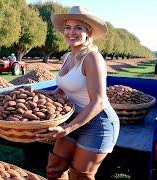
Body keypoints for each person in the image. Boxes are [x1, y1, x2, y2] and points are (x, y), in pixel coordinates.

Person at [35, 6, 120, 180]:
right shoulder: (67, 56)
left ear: (88, 32)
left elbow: (98, 101)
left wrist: (66, 129)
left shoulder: (92, 58)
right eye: (68, 27)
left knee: (79, 176)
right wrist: (37, 99)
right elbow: (64, 89)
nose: (71, 32)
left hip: (99, 123)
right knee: (54, 170)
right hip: (74, 117)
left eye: (78, 28)